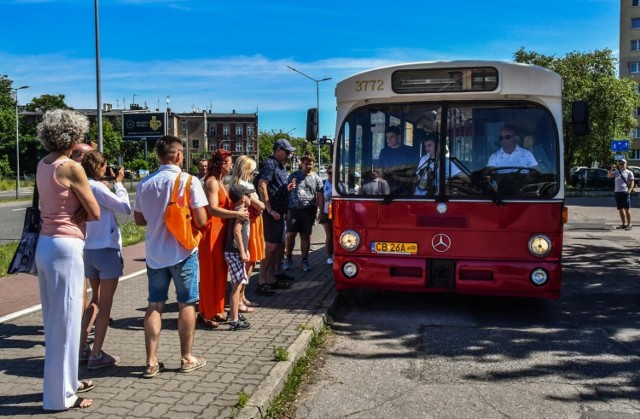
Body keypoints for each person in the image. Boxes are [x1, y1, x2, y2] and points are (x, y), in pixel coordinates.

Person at [35, 109, 100, 411]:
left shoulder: (42, 164)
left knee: (54, 322)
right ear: (72, 136)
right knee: (68, 322)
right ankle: (61, 397)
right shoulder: (71, 167)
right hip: (67, 246)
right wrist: (83, 211)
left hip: (45, 245)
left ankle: (65, 386)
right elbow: (95, 211)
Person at [134, 135, 208, 378]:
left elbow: (139, 219)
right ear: (178, 155)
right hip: (183, 252)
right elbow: (201, 220)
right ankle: (187, 358)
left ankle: (151, 362)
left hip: (155, 253)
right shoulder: (189, 181)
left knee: (155, 304)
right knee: (186, 303)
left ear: (158, 156)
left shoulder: (145, 183)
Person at [79, 150, 131, 370]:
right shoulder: (99, 188)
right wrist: (119, 184)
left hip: (88, 248)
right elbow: (125, 209)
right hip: (107, 249)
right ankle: (97, 354)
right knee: (106, 305)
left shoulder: (81, 186)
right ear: (101, 168)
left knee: (95, 299)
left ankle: (82, 348)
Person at [198, 150, 249, 328]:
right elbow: (212, 209)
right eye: (229, 163)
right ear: (221, 164)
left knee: (220, 274)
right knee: (209, 274)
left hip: (220, 233)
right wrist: (237, 213)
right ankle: (205, 313)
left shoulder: (220, 182)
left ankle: (217, 310)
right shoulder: (211, 182)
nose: (231, 166)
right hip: (211, 233)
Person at [256, 138, 296, 295]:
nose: (289, 155)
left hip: (279, 213)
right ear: (278, 150)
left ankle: (272, 277)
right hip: (273, 214)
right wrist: (269, 209)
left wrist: (286, 189)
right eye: (287, 152)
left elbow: (273, 187)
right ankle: (262, 281)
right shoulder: (270, 164)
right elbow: (262, 185)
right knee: (271, 246)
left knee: (278, 246)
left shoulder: (280, 166)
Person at [230, 155, 264, 312]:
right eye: (252, 169)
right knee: (249, 262)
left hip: (250, 224)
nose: (254, 172)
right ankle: (240, 299)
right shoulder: (245, 187)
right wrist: (261, 204)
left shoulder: (234, 184)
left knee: (249, 262)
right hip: (250, 225)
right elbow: (260, 206)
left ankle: (242, 297)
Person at [283, 155, 324, 272]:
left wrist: (320, 211)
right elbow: (286, 192)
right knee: (290, 234)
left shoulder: (316, 178)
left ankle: (304, 260)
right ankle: (288, 258)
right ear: (301, 163)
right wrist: (286, 210)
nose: (308, 166)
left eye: (311, 164)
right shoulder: (293, 176)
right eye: (306, 163)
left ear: (314, 164)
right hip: (293, 209)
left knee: (305, 236)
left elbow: (320, 195)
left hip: (308, 210)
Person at [224, 184, 253, 331]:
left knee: (238, 283)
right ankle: (234, 320)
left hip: (234, 251)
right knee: (236, 286)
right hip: (235, 251)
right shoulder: (241, 212)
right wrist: (242, 251)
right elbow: (237, 231)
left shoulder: (236, 211)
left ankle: (234, 313)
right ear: (243, 197)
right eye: (249, 195)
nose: (250, 198)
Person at [377, 125, 418, 192]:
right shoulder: (384, 152)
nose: (389, 139)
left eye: (392, 137)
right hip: (388, 187)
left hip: (406, 187)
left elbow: (415, 170)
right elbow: (379, 170)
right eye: (387, 137)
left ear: (398, 136)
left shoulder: (410, 151)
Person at [608, 159, 635, 231]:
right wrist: (611, 169)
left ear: (626, 164)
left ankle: (629, 224)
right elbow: (609, 176)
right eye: (620, 164)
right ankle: (624, 224)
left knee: (627, 209)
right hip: (617, 192)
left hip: (625, 192)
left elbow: (632, 182)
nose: (621, 165)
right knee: (620, 209)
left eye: (623, 164)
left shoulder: (629, 172)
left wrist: (629, 190)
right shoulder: (616, 172)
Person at [319, 165, 334, 265]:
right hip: (326, 212)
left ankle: (337, 253)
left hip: (338, 212)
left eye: (334, 172)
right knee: (329, 234)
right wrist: (319, 212)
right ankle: (329, 255)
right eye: (329, 173)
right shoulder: (324, 183)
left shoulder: (341, 183)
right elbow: (320, 198)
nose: (331, 175)